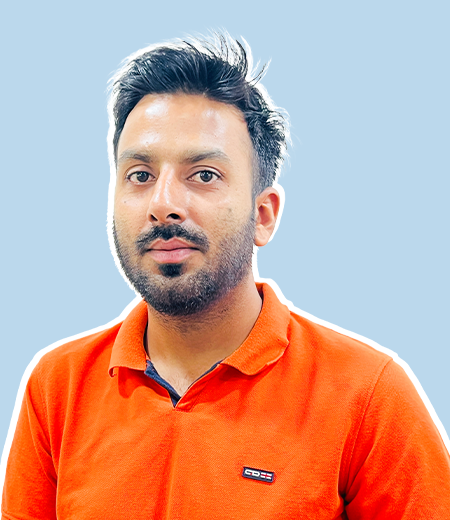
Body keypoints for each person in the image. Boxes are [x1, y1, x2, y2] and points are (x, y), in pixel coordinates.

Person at [2, 33, 450, 519]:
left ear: (264, 215)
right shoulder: (56, 387)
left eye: (204, 175)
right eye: (140, 175)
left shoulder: (369, 396)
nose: (163, 204)